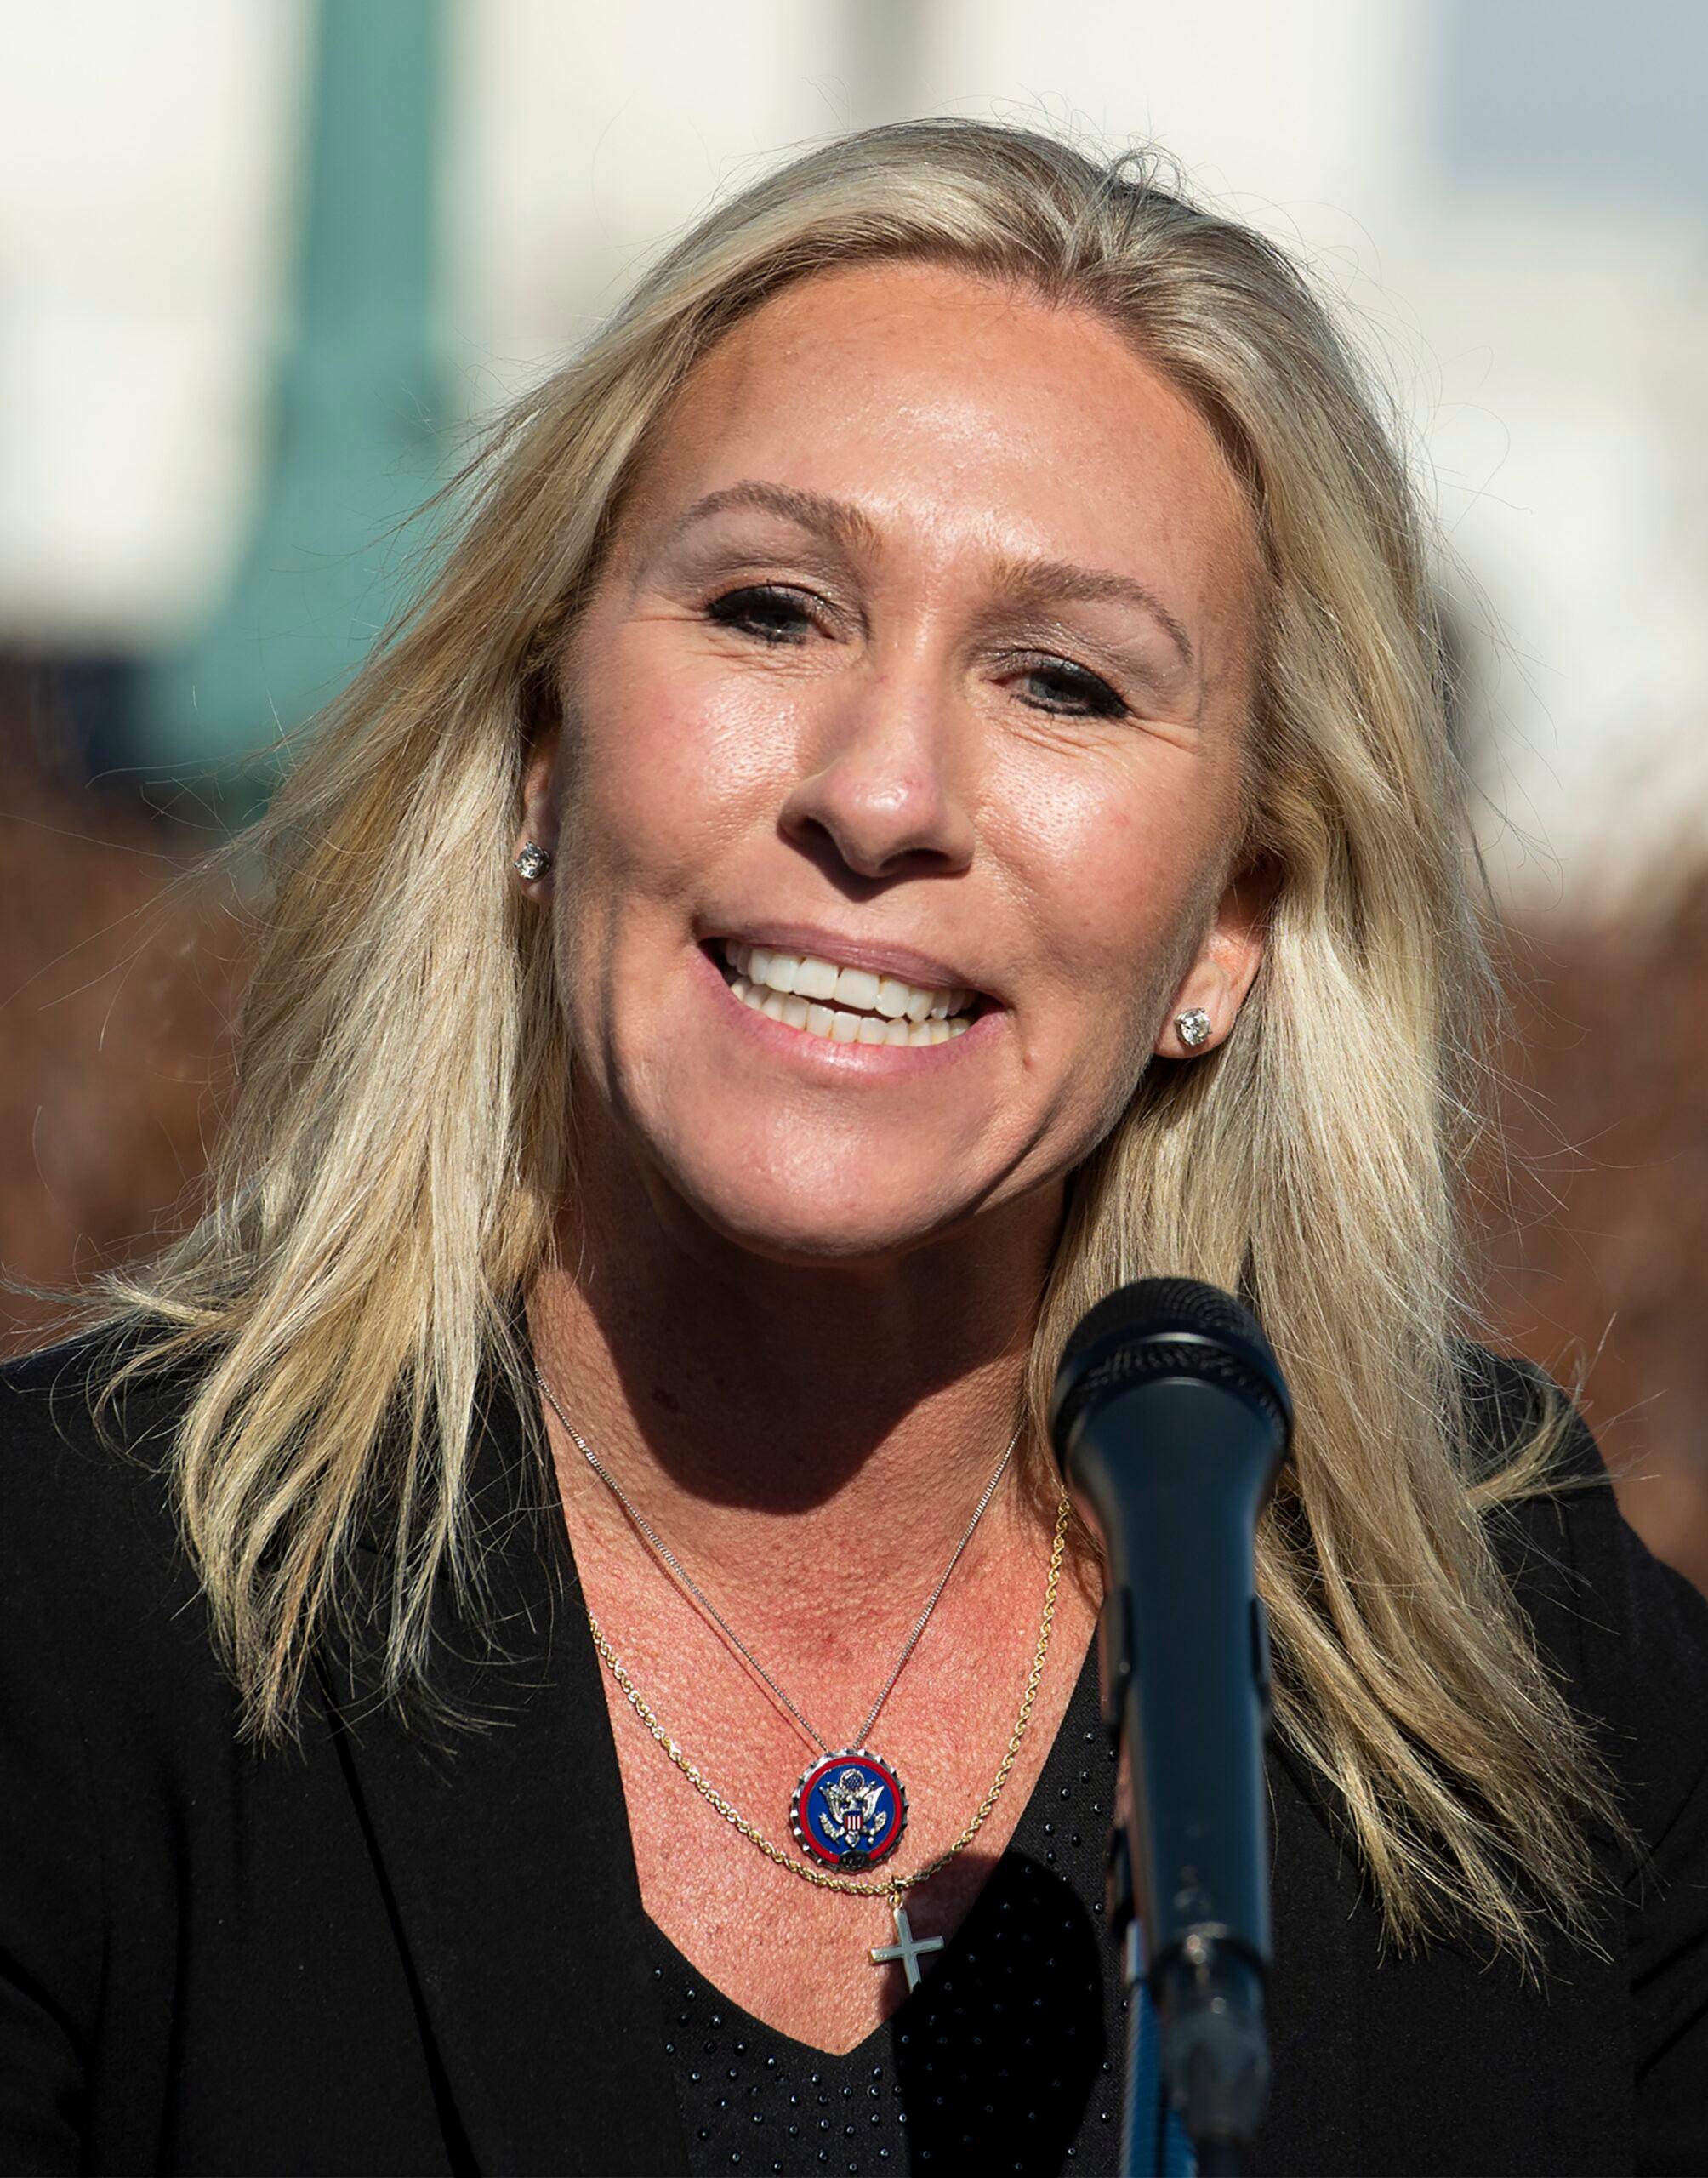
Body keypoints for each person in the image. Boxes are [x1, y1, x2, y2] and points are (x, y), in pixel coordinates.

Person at [3, 117, 1705, 2178]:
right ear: (542, 755)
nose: (883, 790)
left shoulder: (1543, 1658)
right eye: (770, 608)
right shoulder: (68, 1606)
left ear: (1235, 917)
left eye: (1063, 680)